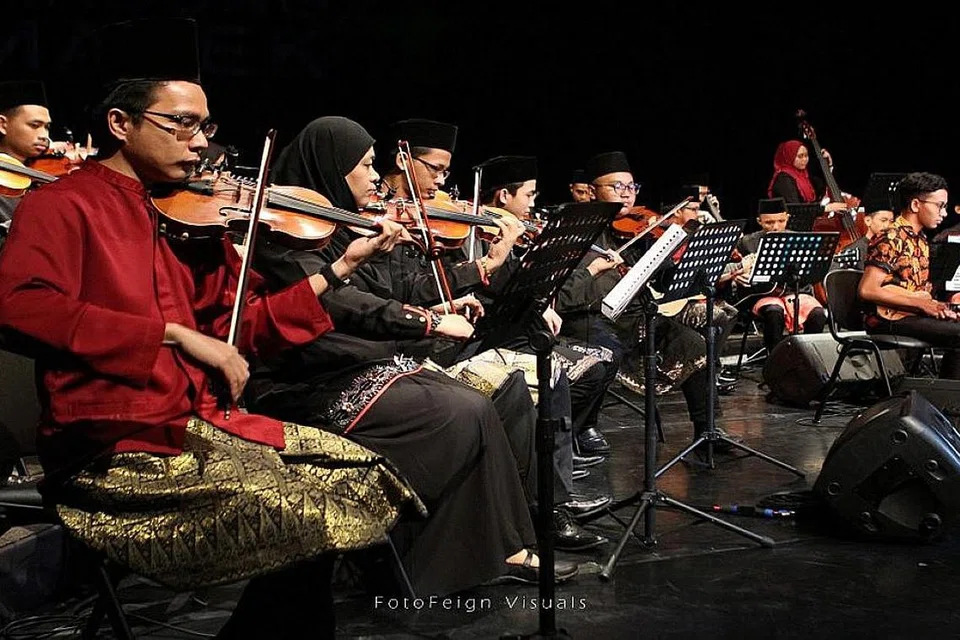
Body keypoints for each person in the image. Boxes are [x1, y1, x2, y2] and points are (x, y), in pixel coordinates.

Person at [0, 18, 420, 639]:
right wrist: (170, 335)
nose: (200, 144)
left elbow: (240, 330)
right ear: (122, 124)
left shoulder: (190, 221)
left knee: (363, 479)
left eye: (205, 126)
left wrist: (337, 270)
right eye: (182, 124)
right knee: (305, 518)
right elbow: (18, 308)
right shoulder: (64, 203)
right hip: (114, 445)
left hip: (198, 423)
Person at [248, 116, 591, 576]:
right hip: (309, 379)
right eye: (366, 165)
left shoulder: (351, 227)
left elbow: (404, 286)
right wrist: (427, 321)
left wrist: (480, 269)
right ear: (329, 167)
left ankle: (503, 539)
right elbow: (348, 306)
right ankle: (441, 556)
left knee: (489, 399)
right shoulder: (280, 238)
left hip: (364, 358)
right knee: (464, 409)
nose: (375, 175)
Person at [557, 151, 722, 452]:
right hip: (591, 318)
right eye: (616, 186)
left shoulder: (641, 230)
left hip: (636, 316)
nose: (627, 194)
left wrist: (673, 259)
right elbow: (565, 296)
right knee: (602, 350)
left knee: (696, 343)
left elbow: (662, 284)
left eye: (631, 187)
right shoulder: (575, 231)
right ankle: (584, 425)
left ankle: (706, 431)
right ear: (593, 192)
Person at [859, 172, 960, 378]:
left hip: (911, 313)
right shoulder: (890, 236)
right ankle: (950, 402)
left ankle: (949, 396)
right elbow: (867, 290)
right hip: (887, 317)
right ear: (915, 205)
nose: (944, 213)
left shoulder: (921, 239)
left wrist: (940, 306)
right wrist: (921, 304)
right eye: (940, 206)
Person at [729, 197, 828, 355]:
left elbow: (808, 277)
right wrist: (736, 277)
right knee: (774, 311)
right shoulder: (747, 242)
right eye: (769, 223)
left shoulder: (799, 240)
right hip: (761, 295)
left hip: (794, 293)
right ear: (759, 221)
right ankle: (775, 360)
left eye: (781, 221)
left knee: (817, 314)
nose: (776, 227)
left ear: (787, 218)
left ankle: (806, 357)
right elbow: (730, 269)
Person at [0, 80, 52, 244]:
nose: (44, 135)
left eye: (47, 127)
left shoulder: (41, 173)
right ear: (2, 124)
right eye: (35, 125)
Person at [767, 140, 848, 216]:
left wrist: (828, 165)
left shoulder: (804, 176)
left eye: (806, 155)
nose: (805, 159)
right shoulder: (783, 179)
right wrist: (825, 208)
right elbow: (793, 209)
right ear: (789, 157)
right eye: (800, 156)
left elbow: (824, 189)